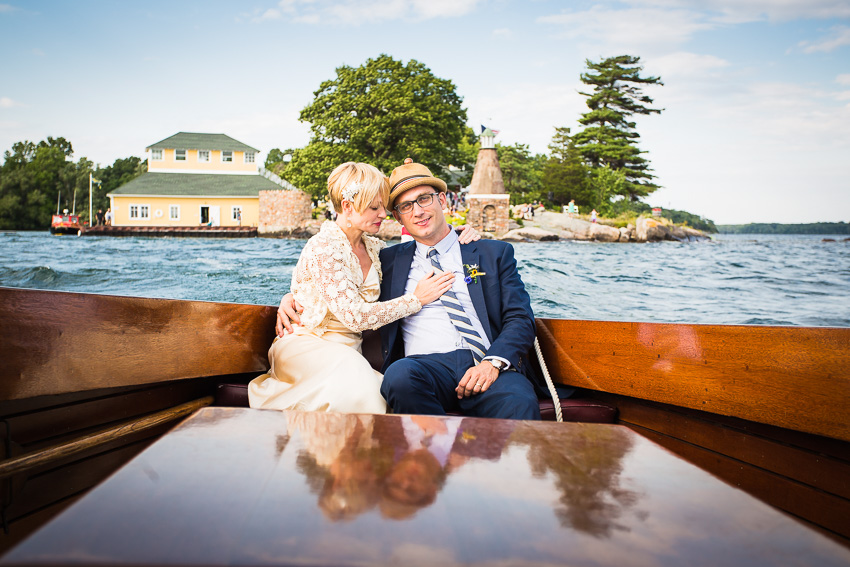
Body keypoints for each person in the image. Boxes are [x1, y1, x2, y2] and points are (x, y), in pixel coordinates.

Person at [251, 162, 478, 414]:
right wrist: (416, 300)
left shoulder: (375, 248)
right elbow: (354, 317)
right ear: (347, 207)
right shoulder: (324, 247)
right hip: (309, 344)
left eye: (383, 206)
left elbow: (419, 252)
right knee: (364, 386)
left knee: (365, 378)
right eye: (374, 207)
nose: (383, 213)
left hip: (349, 350)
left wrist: (457, 235)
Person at [375, 159, 543, 420]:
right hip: (424, 366)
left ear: (443, 200)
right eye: (406, 206)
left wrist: (493, 363)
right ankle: (438, 456)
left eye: (424, 199)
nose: (418, 212)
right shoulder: (386, 261)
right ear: (398, 217)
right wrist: (297, 295)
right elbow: (345, 272)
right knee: (399, 377)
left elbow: (520, 318)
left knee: (519, 401)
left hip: (486, 361)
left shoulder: (492, 253)